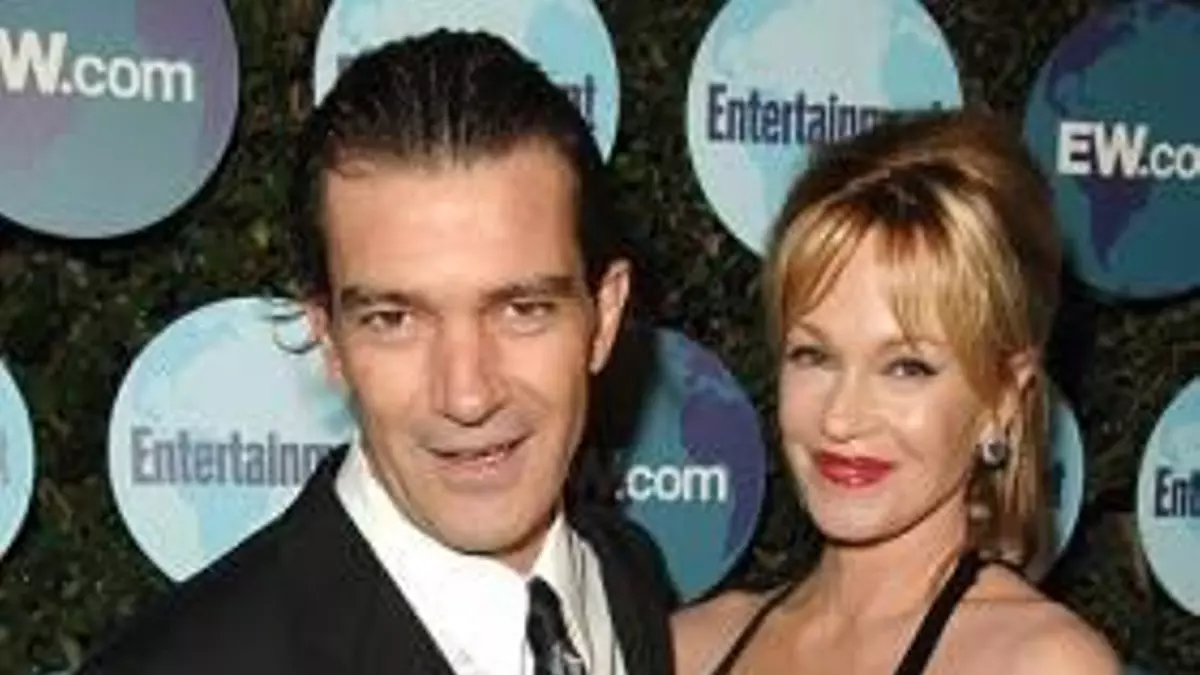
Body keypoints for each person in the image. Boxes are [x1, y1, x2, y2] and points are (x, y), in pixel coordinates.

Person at [81, 30, 676, 675]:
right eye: (394, 320)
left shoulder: (626, 576)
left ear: (604, 315)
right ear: (330, 338)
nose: (467, 396)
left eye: (523, 310)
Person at [672, 110, 1120, 675]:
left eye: (906, 368)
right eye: (814, 356)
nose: (841, 418)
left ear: (1003, 397)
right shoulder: (689, 649)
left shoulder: (1040, 664)